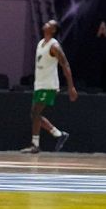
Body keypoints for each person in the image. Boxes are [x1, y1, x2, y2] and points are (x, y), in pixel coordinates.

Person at [21, 19, 77, 153]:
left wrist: (71, 87)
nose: (45, 24)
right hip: (39, 84)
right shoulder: (41, 43)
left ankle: (44, 141)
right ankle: (53, 136)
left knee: (35, 113)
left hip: (49, 85)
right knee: (34, 114)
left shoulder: (54, 46)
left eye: (49, 24)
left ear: (53, 30)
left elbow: (65, 64)